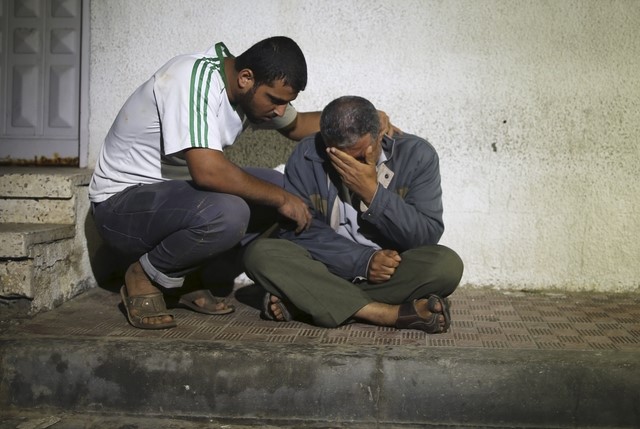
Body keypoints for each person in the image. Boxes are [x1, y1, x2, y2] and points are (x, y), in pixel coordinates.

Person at [89, 37, 394, 330]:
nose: (278, 111)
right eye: (274, 100)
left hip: (170, 202)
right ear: (246, 78)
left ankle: (184, 278)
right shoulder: (192, 78)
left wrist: (366, 119)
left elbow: (299, 125)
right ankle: (143, 275)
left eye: (283, 103)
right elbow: (208, 172)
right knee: (233, 210)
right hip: (120, 208)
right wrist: (280, 199)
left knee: (284, 189)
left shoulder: (249, 90)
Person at [243, 95, 463, 333]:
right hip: (326, 266)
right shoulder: (306, 155)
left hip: (388, 270)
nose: (351, 165)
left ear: (380, 134)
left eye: (359, 156)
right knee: (259, 254)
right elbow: (298, 231)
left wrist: (373, 194)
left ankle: (307, 300)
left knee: (446, 266)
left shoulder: (416, 155)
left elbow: (425, 235)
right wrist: (363, 261)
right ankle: (386, 314)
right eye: (338, 156)